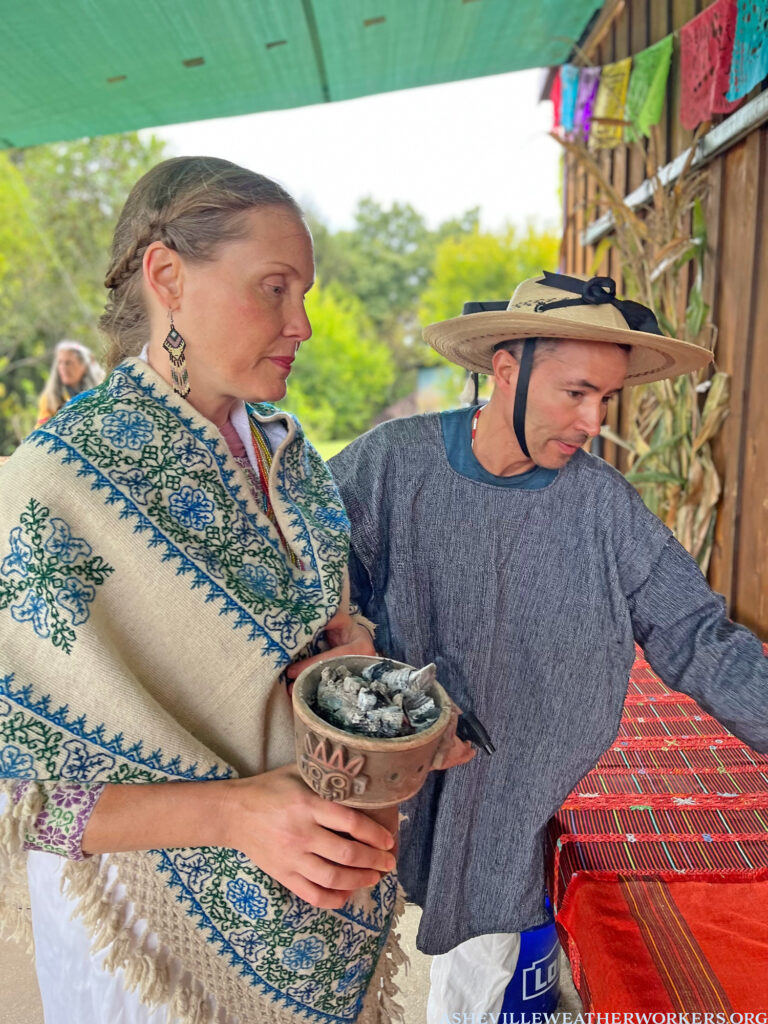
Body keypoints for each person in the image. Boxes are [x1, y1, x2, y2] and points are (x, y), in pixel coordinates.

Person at [0, 156, 407, 1024]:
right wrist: (233, 814)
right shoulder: (54, 488)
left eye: (306, 292)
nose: (303, 323)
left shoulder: (286, 452)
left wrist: (350, 658)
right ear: (168, 277)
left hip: (316, 908)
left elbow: (316, 624)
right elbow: (19, 794)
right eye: (274, 288)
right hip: (153, 951)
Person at [329, 271, 768, 1020]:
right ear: (506, 369)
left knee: (479, 980)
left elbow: (696, 634)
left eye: (606, 398)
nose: (594, 418)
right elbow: (312, 586)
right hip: (379, 777)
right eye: (576, 392)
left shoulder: (604, 508)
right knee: (344, 967)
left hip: (516, 790)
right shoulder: (390, 466)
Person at [36, 339, 105, 425]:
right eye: (60, 362)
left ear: (84, 366)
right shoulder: (50, 398)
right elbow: (40, 429)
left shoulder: (100, 393)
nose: (63, 368)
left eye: (68, 363)